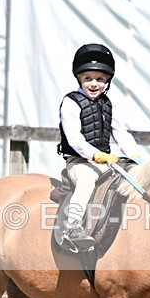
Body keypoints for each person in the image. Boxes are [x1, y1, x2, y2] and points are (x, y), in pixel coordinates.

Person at [57, 43, 141, 251]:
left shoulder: (108, 104)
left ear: (107, 81)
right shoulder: (70, 102)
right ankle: (72, 228)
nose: (94, 84)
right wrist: (97, 155)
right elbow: (75, 139)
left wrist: (134, 155)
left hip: (105, 161)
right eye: (88, 79)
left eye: (100, 79)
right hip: (80, 162)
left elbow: (120, 133)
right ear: (79, 78)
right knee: (87, 180)